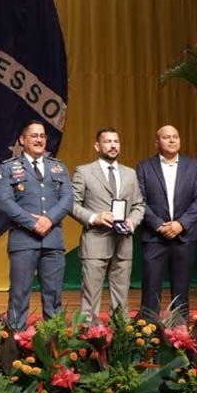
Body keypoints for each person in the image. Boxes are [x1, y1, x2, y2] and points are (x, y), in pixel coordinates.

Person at [0, 120, 73, 330]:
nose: (39, 140)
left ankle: (53, 347)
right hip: (24, 240)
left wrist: (49, 219)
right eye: (34, 136)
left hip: (53, 240)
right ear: (22, 140)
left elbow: (67, 199)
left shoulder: (58, 167)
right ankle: (15, 345)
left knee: (53, 296)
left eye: (42, 136)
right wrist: (32, 223)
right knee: (19, 296)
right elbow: (5, 202)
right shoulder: (9, 168)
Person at [70, 128, 144, 325]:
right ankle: (88, 341)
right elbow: (71, 204)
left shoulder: (130, 173)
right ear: (97, 146)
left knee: (121, 298)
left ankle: (120, 339)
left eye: (116, 141)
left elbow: (139, 205)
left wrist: (132, 221)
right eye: (108, 141)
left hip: (123, 243)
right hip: (95, 242)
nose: (113, 145)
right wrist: (95, 217)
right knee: (90, 299)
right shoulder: (84, 172)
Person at [136, 125, 197, 323]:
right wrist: (159, 225)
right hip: (154, 237)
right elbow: (139, 200)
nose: (172, 140)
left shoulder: (194, 166)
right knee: (151, 289)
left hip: (184, 236)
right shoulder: (144, 167)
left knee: (182, 289)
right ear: (157, 142)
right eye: (166, 137)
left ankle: (180, 333)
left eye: (175, 136)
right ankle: (149, 332)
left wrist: (181, 224)